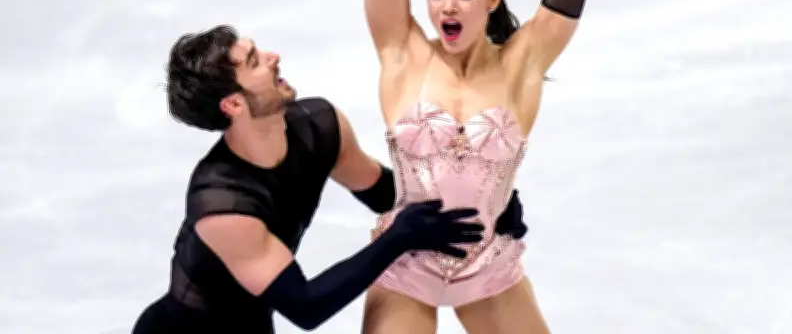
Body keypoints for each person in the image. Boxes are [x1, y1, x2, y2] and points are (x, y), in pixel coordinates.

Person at [360, 0, 630, 333]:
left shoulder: (520, 63)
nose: (448, 6)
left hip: (487, 269)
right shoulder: (404, 54)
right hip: (404, 266)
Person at [131, 25, 529, 333]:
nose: (273, 57)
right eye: (254, 61)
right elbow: (305, 306)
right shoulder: (221, 204)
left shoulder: (318, 126)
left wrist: (480, 199)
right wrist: (398, 238)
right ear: (233, 103)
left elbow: (383, 192)